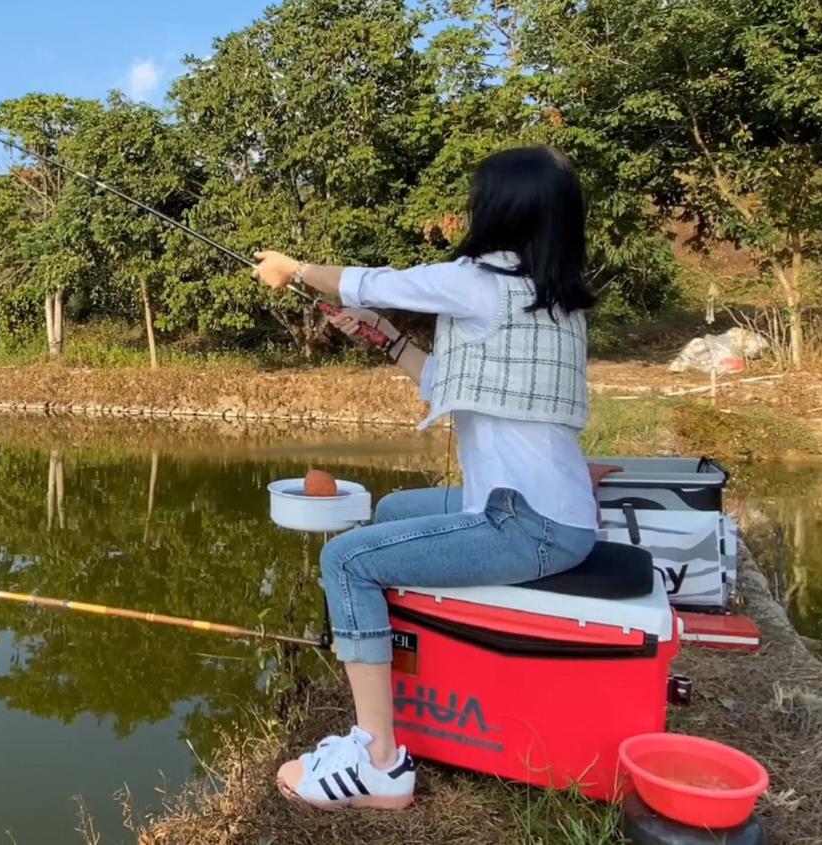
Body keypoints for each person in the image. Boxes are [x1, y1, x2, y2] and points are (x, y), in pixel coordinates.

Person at [250, 145, 602, 810]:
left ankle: (378, 760)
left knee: (347, 560)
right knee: (392, 511)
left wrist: (293, 268)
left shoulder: (479, 280)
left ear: (499, 208)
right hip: (551, 515)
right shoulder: (550, 299)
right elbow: (448, 378)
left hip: (525, 524)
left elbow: (372, 279)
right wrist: (384, 338)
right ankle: (414, 671)